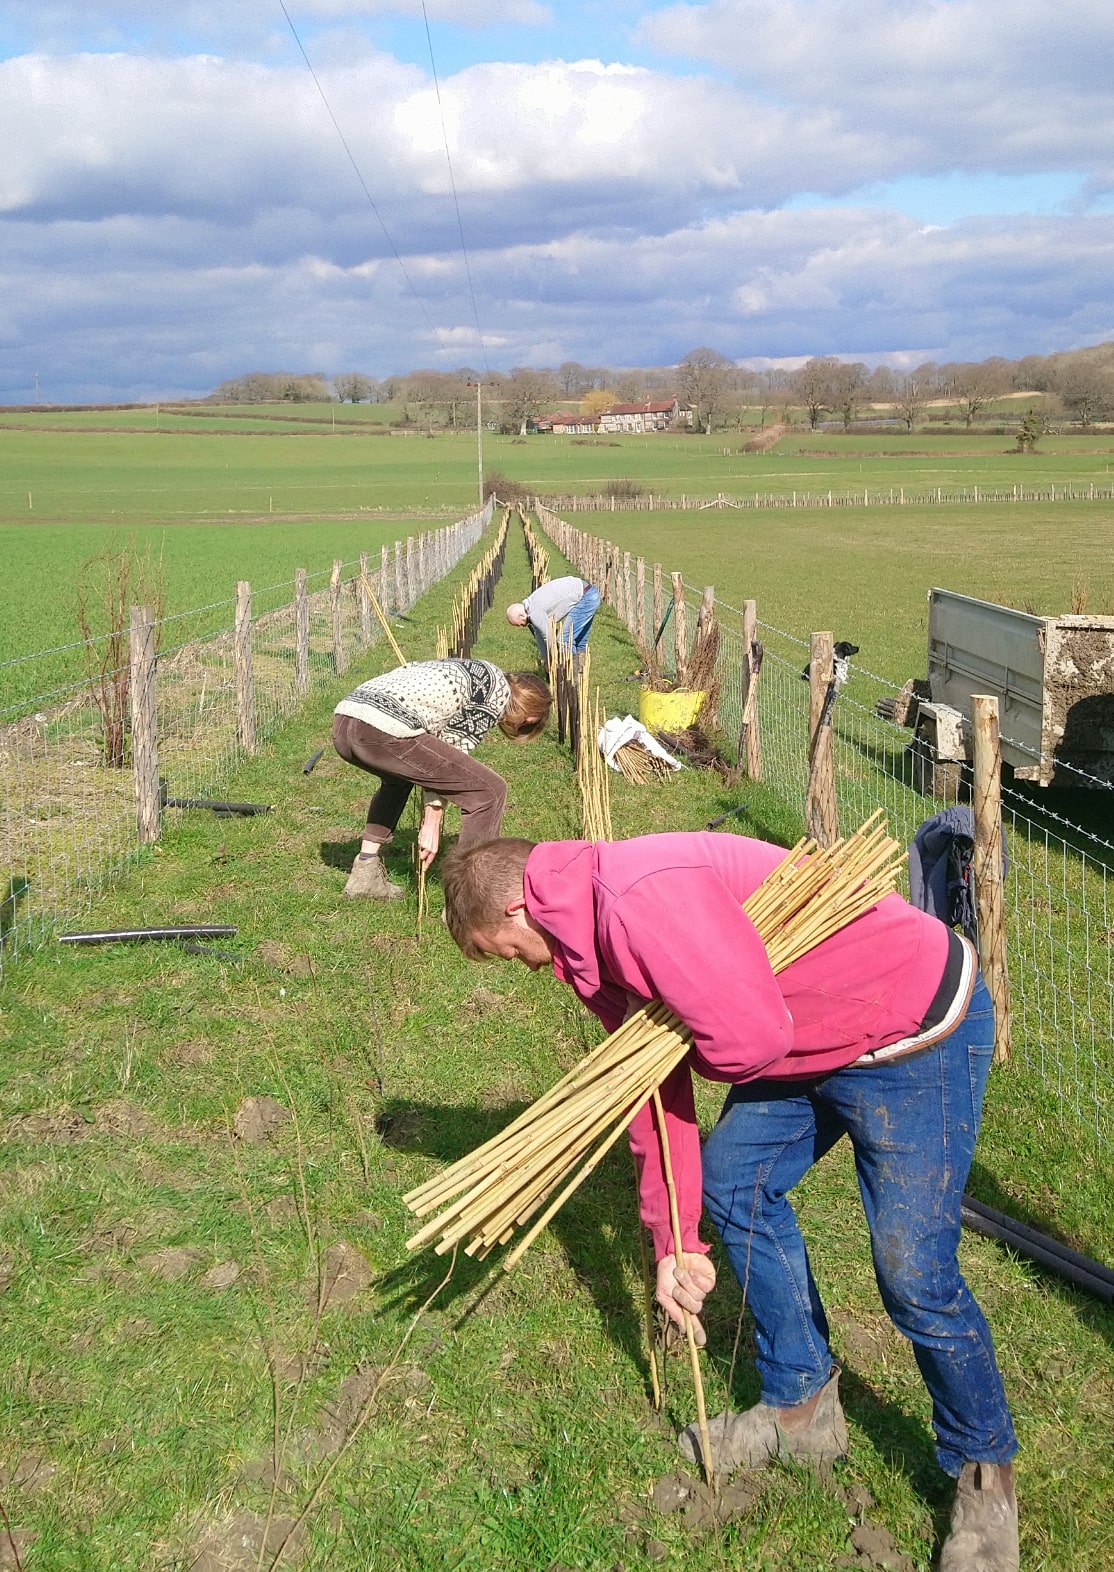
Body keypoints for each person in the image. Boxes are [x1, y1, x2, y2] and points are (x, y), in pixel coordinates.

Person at [441, 831, 1019, 1572]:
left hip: (909, 1027)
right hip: (802, 1032)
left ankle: (983, 1472)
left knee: (914, 1274)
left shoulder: (631, 903)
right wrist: (673, 1239)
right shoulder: (583, 946)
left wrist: (685, 1031)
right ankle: (802, 1406)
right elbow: (651, 1086)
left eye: (504, 952)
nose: (518, 967)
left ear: (519, 907)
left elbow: (744, 1039)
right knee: (731, 1182)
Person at [330, 659, 550, 899]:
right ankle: (469, 896)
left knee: (398, 779)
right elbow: (451, 748)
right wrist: (432, 821)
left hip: (345, 722)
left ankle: (365, 874)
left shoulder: (474, 668)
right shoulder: (498, 692)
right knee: (489, 792)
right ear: (530, 715)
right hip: (382, 731)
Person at [506, 575, 600, 665]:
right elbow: (538, 634)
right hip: (589, 592)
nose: (522, 626)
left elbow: (547, 635)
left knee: (565, 640)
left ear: (521, 616)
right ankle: (580, 673)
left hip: (586, 598)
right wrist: (546, 659)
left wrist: (553, 660)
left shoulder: (534, 612)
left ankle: (570, 678)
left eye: (519, 624)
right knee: (579, 641)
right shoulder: (532, 603)